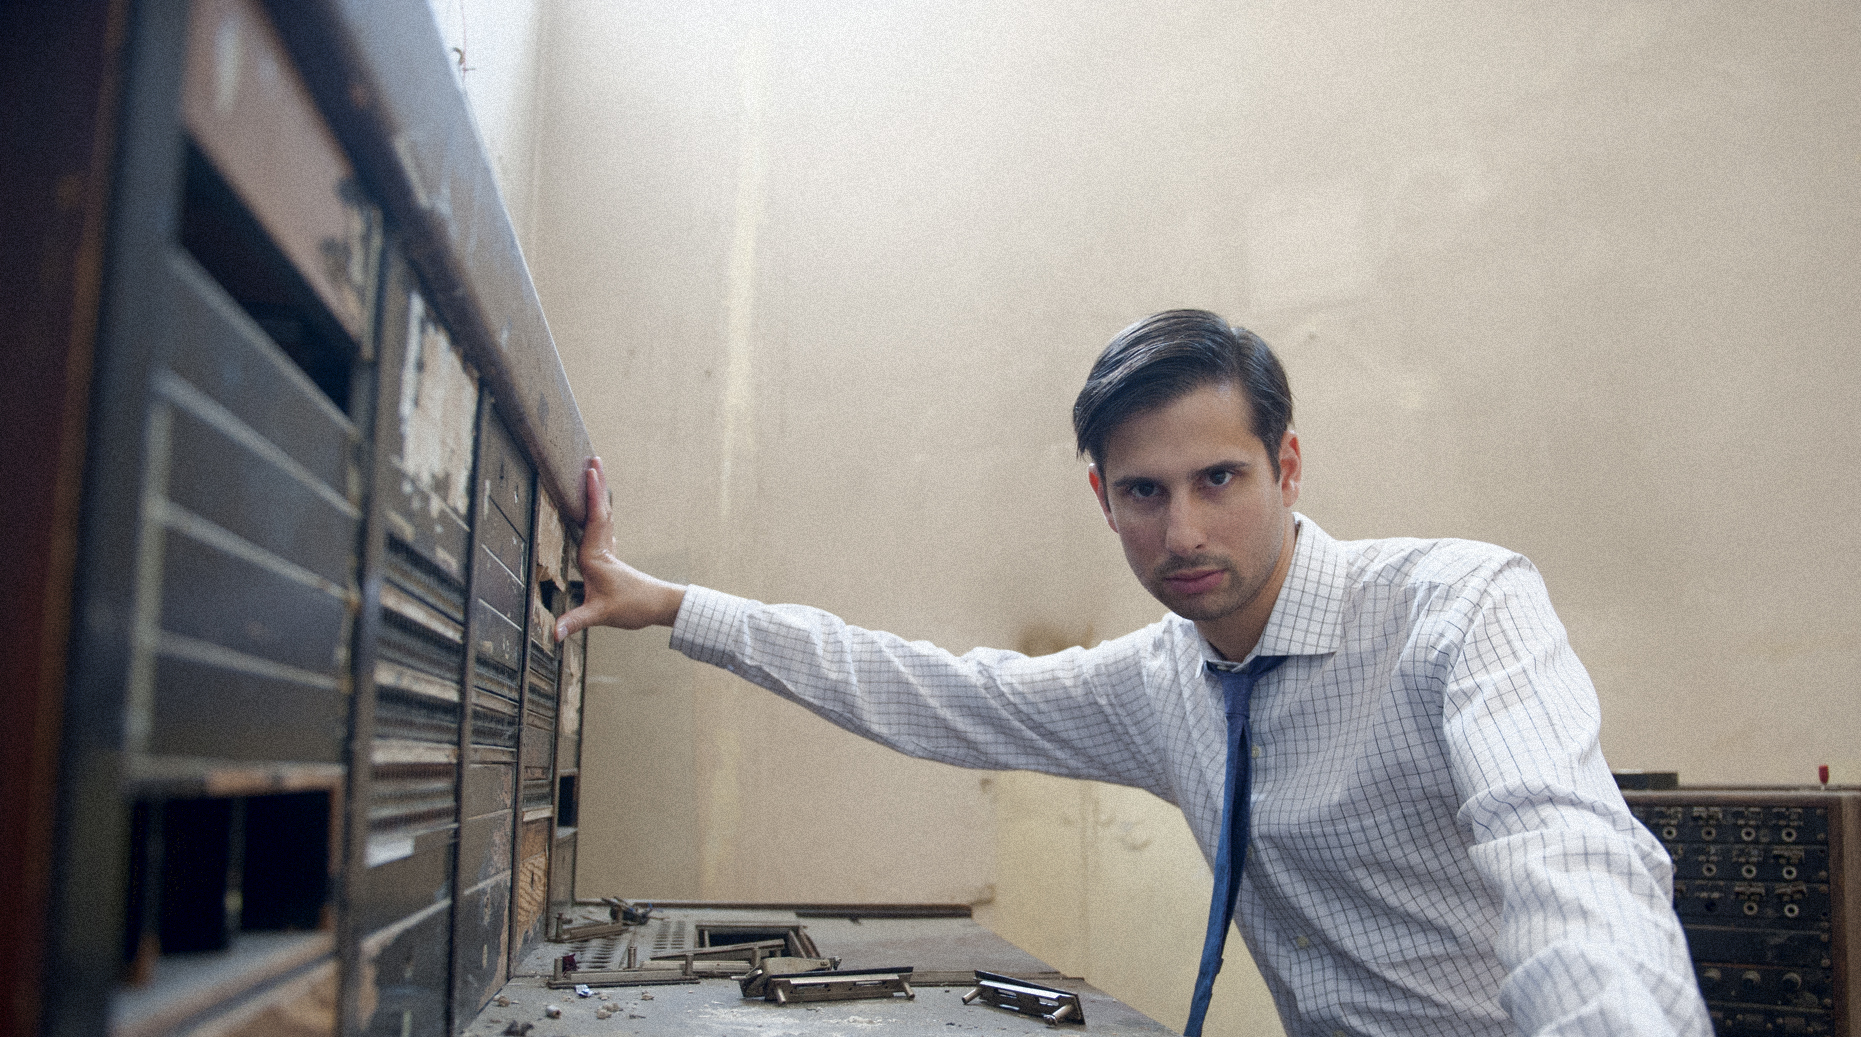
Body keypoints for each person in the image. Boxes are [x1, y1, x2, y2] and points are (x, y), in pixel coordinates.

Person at [555, 310, 1709, 1037]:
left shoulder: (1459, 606)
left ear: (1287, 465)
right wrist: (668, 605)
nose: (1184, 531)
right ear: (1101, 498)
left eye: (1220, 478)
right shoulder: (1153, 682)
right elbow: (932, 690)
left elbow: (1567, 855)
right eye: (1144, 493)